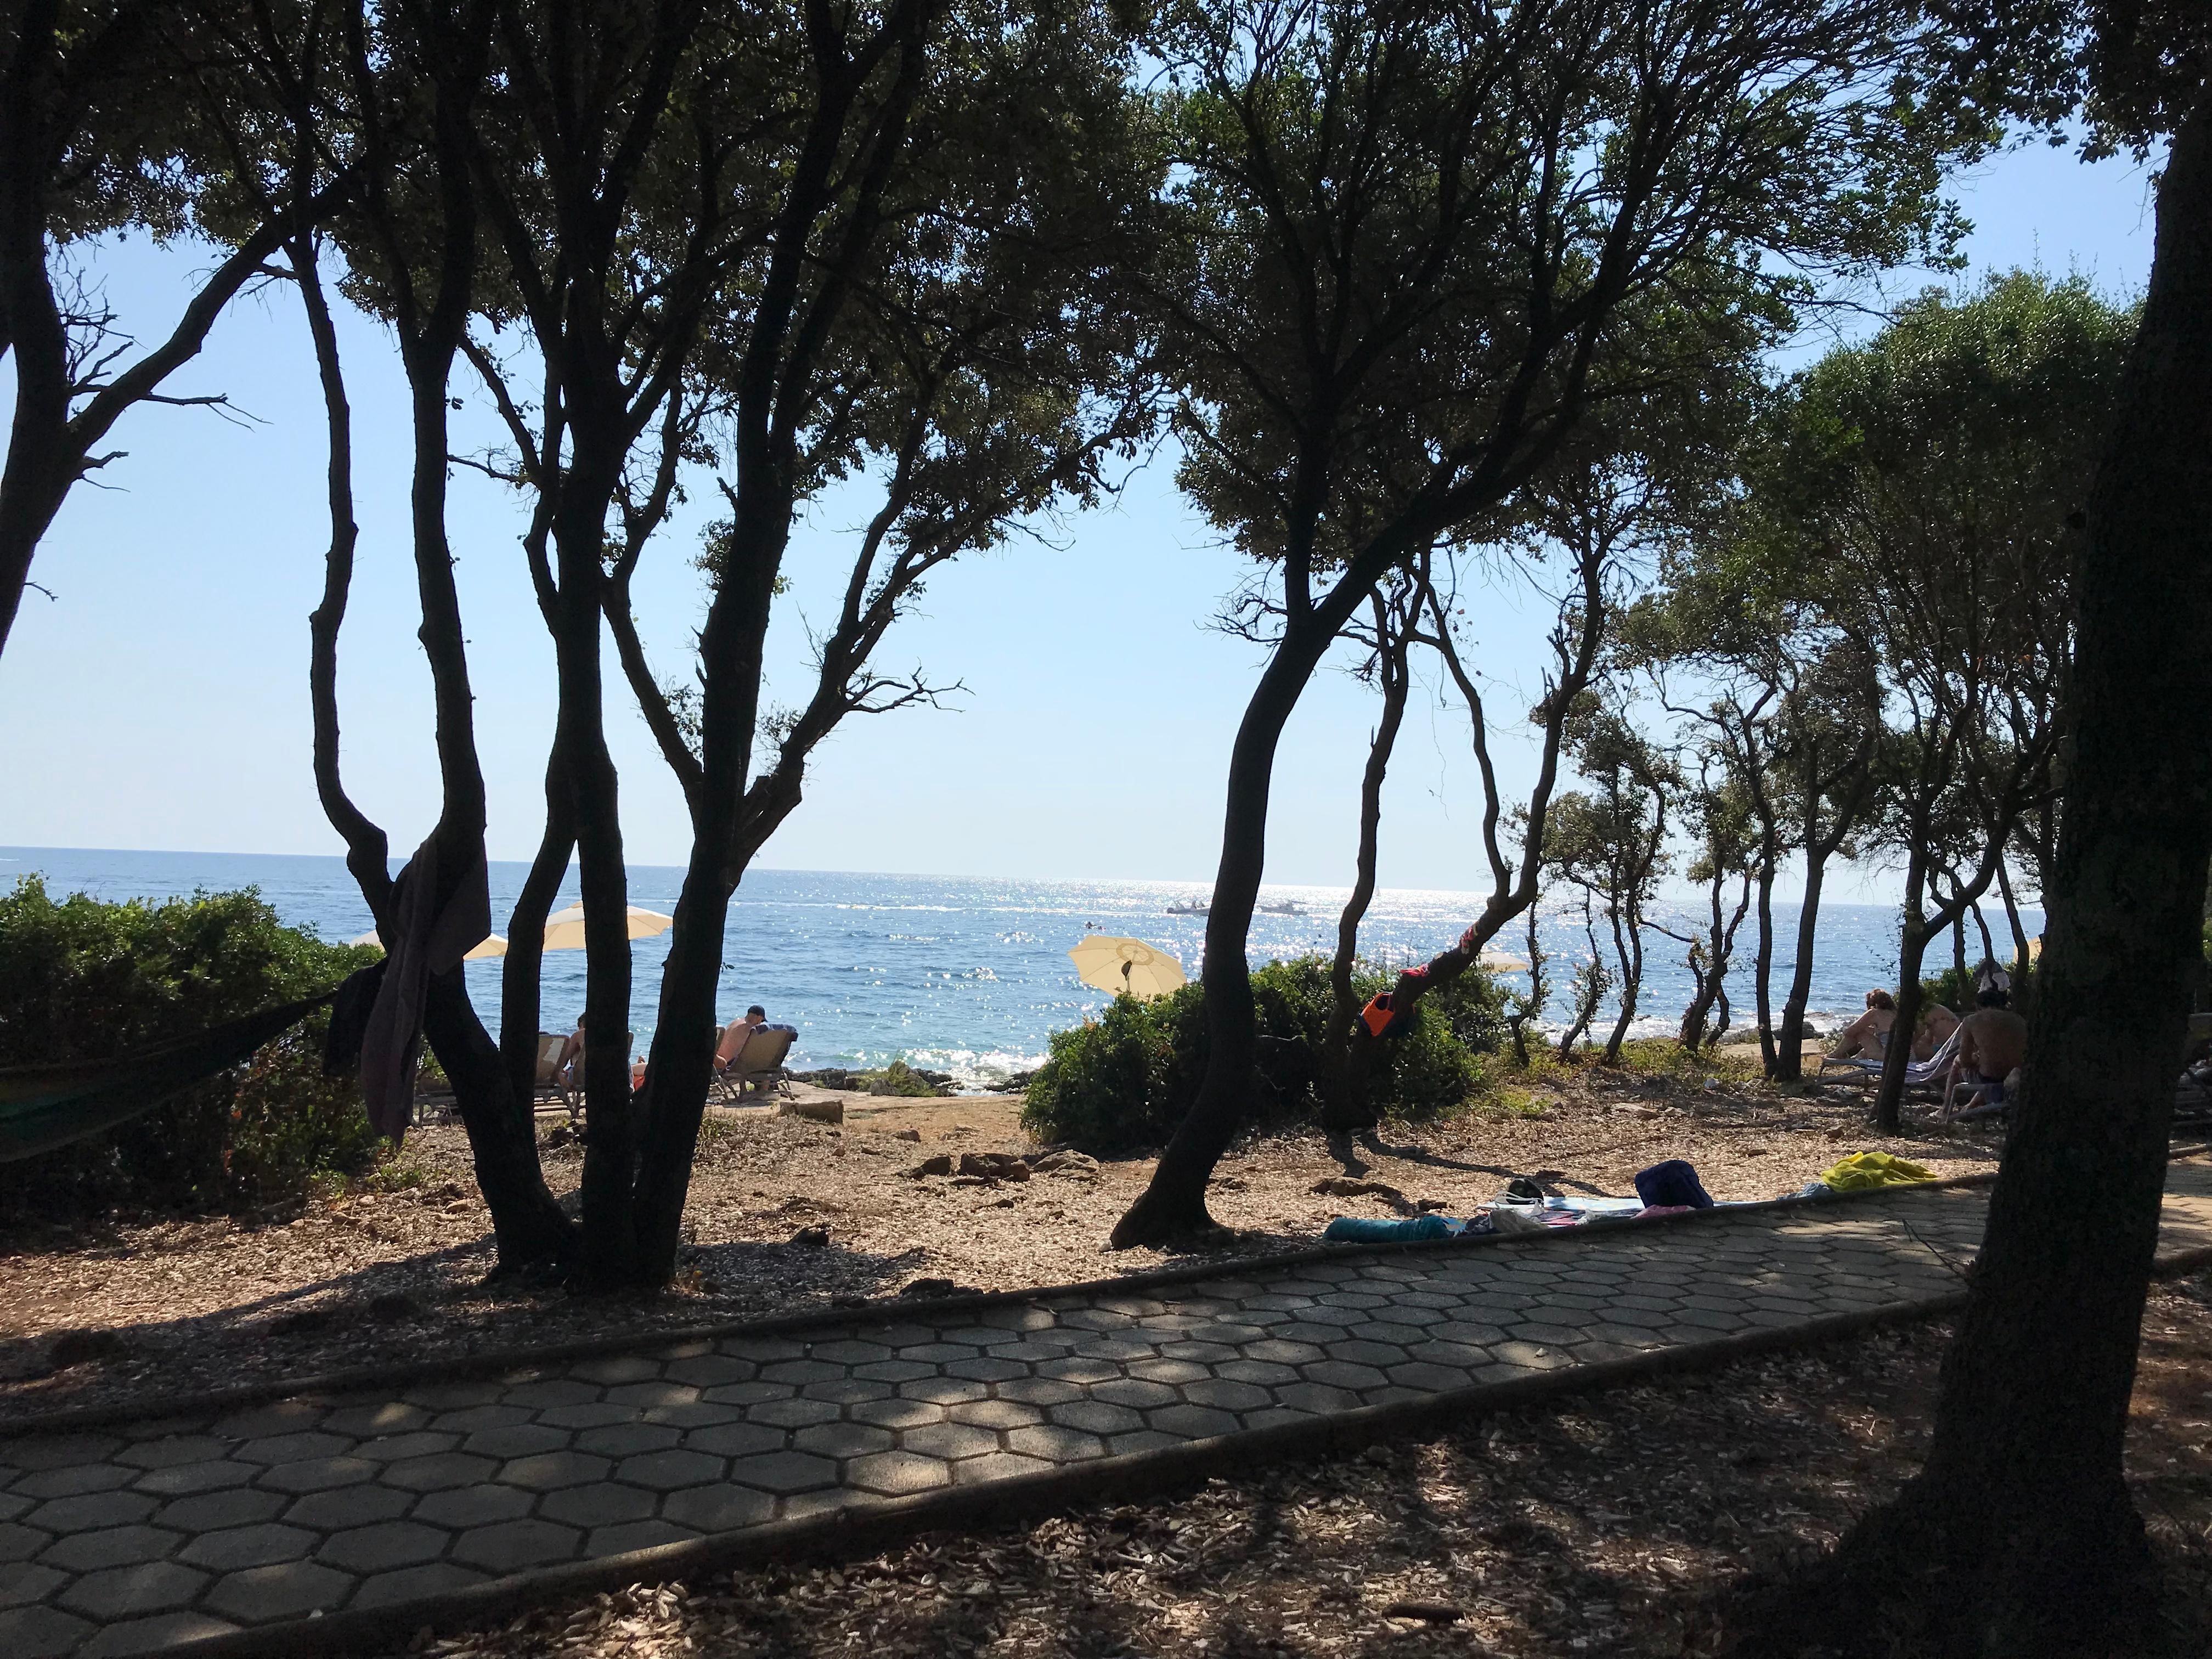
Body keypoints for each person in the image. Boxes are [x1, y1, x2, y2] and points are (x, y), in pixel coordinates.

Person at [1950, 987, 2029, 1113]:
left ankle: (1945, 1110)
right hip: (2017, 1075)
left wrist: (1976, 1061)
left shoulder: (1971, 1020)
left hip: (1990, 1078)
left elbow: (1965, 1061)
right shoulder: (2019, 1019)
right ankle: (1970, 1107)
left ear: (1978, 1006)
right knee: (1989, 1068)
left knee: (1958, 1061)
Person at [1830, 990, 1898, 1060]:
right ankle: (1851, 1058)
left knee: (1858, 1032)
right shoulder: (1896, 1014)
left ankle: (1834, 1056)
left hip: (1889, 1058)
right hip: (1906, 1057)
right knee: (1864, 1049)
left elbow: (1849, 1032)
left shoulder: (1875, 1013)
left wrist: (1844, 1029)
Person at [1914, 998, 1961, 1062]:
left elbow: (1920, 1032)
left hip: (1948, 1048)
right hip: (1950, 1045)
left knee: (1918, 1049)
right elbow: (1926, 1036)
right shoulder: (1936, 1011)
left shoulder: (1928, 1011)